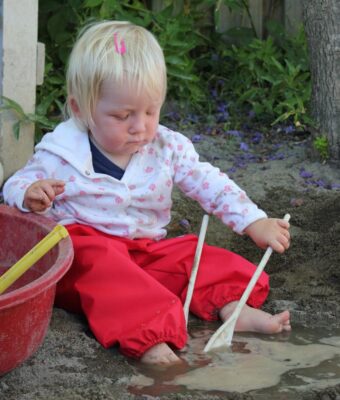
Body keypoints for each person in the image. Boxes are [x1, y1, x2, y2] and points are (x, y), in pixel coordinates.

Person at [3, 20, 291, 364]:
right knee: (104, 264)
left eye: (150, 111)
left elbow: (210, 183)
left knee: (197, 259)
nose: (140, 126)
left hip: (144, 252)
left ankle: (233, 307)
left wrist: (253, 221)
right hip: (83, 258)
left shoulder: (166, 147)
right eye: (123, 115)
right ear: (81, 110)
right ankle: (150, 336)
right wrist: (30, 193)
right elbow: (14, 186)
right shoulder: (60, 151)